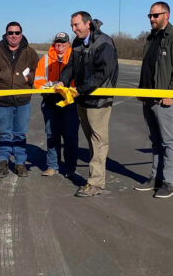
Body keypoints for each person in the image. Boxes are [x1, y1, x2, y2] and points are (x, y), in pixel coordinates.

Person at [58, 11, 118, 197]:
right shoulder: (77, 43)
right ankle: (95, 179)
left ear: (88, 23)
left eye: (76, 25)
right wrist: (63, 81)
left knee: (99, 142)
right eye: (72, 26)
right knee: (92, 142)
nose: (74, 29)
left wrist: (81, 89)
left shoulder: (104, 43)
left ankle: (95, 183)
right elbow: (71, 67)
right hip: (82, 99)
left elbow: (102, 74)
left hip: (98, 101)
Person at [135, 1, 173, 198]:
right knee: (155, 140)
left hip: (165, 100)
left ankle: (168, 182)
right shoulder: (151, 38)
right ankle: (155, 177)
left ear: (166, 15)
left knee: (169, 142)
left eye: (155, 15)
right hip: (149, 99)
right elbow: (147, 67)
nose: (151, 19)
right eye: (149, 16)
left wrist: (172, 93)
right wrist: (141, 90)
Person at [0, 21, 39, 178]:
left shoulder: (30, 52)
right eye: (10, 33)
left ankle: (20, 163)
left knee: (20, 133)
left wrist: (30, 78)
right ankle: (3, 163)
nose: (14, 36)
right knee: (5, 133)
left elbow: (38, 71)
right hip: (2, 100)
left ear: (21, 34)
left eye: (17, 33)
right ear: (6, 34)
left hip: (23, 100)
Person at [34, 32, 79, 178]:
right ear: (54, 43)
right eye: (57, 43)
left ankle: (70, 168)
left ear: (68, 44)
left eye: (63, 43)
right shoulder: (45, 60)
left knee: (70, 136)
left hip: (70, 103)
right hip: (50, 103)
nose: (60, 46)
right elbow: (38, 82)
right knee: (52, 135)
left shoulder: (75, 58)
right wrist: (49, 90)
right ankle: (53, 166)